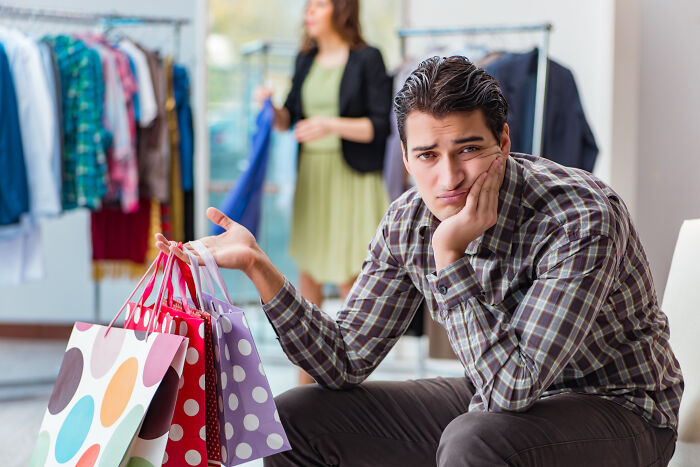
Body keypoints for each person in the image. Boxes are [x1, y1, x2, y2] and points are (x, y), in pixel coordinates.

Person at [157, 56, 683, 466]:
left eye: (469, 149)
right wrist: (259, 268)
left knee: (475, 440)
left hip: (621, 411)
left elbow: (513, 389)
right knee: (293, 416)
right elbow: (343, 360)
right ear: (405, 158)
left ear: (504, 140)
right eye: (428, 155)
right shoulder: (409, 220)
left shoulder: (580, 216)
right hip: (493, 399)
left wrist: (449, 255)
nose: (449, 178)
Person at [255, 0, 392, 386]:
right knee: (308, 282)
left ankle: (352, 387)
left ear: (341, 8)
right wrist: (271, 108)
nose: (308, 12)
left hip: (353, 179)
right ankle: (304, 390)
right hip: (313, 179)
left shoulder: (368, 59)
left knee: (354, 283)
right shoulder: (305, 60)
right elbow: (289, 118)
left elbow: (380, 126)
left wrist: (329, 124)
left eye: (318, 4)